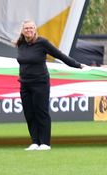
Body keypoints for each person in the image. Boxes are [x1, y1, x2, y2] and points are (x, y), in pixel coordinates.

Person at [13, 19, 82, 150]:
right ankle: (35, 142)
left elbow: (60, 55)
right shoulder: (21, 44)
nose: (29, 30)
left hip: (40, 83)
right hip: (24, 84)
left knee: (41, 112)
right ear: (22, 31)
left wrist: (77, 65)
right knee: (29, 113)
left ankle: (45, 143)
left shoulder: (42, 43)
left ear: (35, 29)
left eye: (31, 28)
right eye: (26, 28)